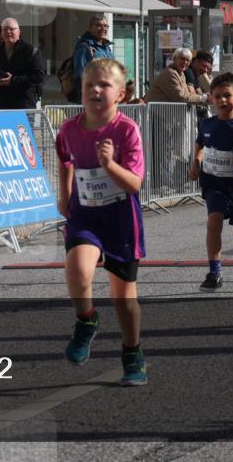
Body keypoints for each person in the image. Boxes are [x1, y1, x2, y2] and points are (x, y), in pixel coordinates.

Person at [55, 58, 148, 386]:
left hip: (120, 219)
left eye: (104, 85)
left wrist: (109, 164)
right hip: (85, 214)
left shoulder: (126, 130)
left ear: (121, 94)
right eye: (89, 85)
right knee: (78, 269)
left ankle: (132, 351)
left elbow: (134, 184)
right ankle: (86, 320)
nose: (95, 90)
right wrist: (65, 194)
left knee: (124, 298)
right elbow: (65, 159)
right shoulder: (69, 129)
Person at [189, 72, 233, 292]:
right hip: (213, 184)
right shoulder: (206, 124)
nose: (222, 100)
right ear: (211, 98)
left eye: (227, 95)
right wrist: (196, 163)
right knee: (213, 223)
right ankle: (214, 272)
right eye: (217, 96)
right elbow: (200, 145)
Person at [0, 18, 45, 109]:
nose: (8, 32)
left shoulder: (30, 50)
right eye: (5, 29)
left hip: (24, 104)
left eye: (11, 29)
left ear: (19, 32)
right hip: (1, 105)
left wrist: (12, 80)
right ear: (1, 33)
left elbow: (38, 76)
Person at [71, 15, 115, 102]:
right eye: (98, 25)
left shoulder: (106, 48)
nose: (103, 28)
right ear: (90, 27)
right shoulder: (85, 48)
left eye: (105, 26)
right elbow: (79, 76)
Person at [144, 48, 208, 105]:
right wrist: (202, 98)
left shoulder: (181, 73)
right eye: (182, 59)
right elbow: (180, 97)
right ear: (174, 59)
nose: (185, 62)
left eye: (188, 60)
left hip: (165, 112)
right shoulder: (170, 73)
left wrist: (203, 97)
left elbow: (186, 94)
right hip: (157, 112)